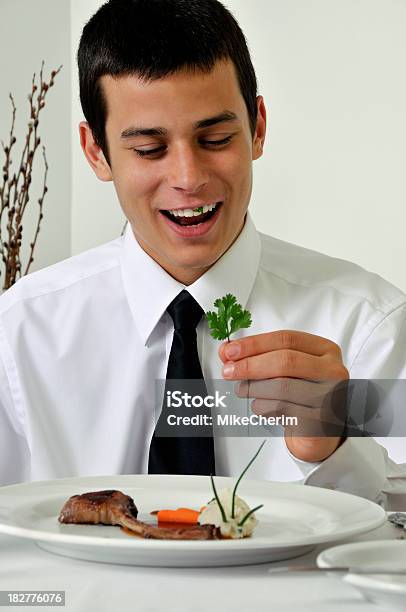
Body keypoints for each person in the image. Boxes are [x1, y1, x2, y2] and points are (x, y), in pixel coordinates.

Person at [0, 0, 405, 508]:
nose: (188, 179)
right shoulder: (19, 336)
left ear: (257, 127)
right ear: (95, 151)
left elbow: (397, 543)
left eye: (215, 138)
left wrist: (334, 446)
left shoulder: (369, 326)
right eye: (149, 149)